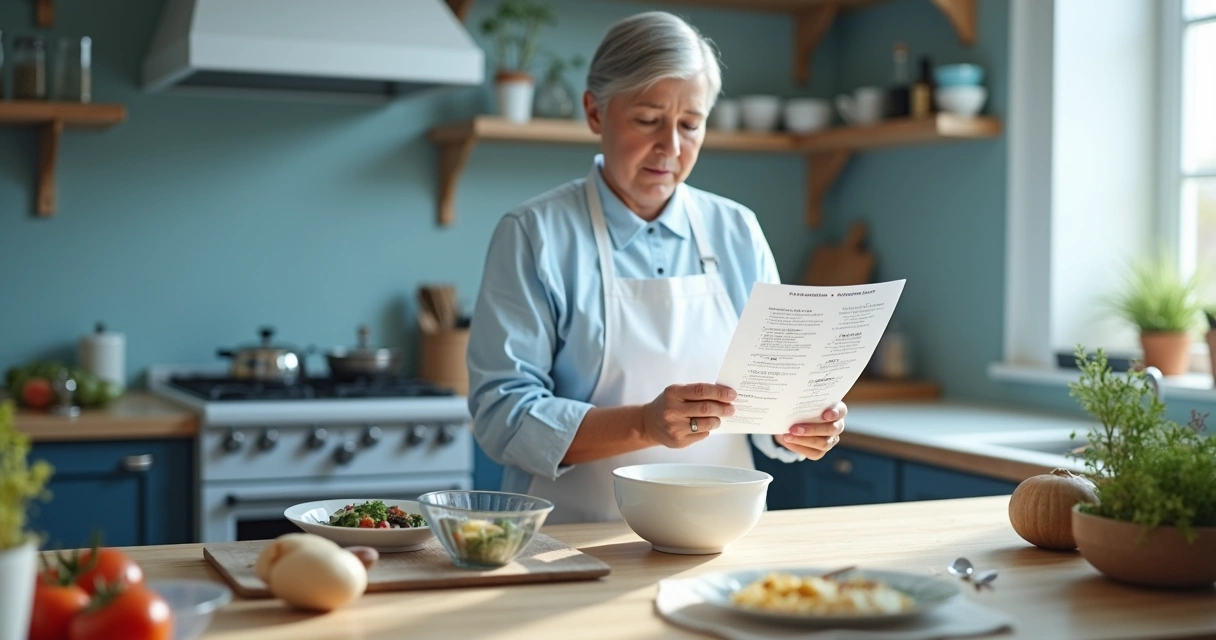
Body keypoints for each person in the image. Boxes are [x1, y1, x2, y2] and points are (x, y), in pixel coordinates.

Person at [465, 11, 847, 525]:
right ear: (595, 113)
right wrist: (644, 425)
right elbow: (502, 418)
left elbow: (768, 396)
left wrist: (797, 425)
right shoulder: (535, 234)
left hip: (717, 536)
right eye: (647, 120)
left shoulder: (737, 231)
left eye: (690, 125)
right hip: (570, 543)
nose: (670, 147)